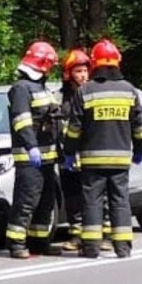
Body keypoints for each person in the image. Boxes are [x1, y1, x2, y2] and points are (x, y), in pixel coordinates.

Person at [63, 39, 142, 259]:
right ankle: (123, 248)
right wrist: (139, 149)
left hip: (92, 160)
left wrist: (69, 152)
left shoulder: (86, 91)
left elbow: (74, 128)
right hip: (120, 159)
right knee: (120, 201)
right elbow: (138, 126)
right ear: (117, 62)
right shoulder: (129, 90)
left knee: (92, 201)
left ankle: (91, 248)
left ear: (94, 64)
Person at [5, 40, 62, 259]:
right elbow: (22, 121)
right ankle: (16, 243)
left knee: (45, 202)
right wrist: (32, 147)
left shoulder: (42, 87)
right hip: (30, 156)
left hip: (47, 156)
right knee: (26, 200)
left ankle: (39, 242)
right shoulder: (21, 88)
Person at [58, 48, 91, 251]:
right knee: (72, 197)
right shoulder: (59, 97)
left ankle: (99, 236)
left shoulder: (93, 93)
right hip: (68, 155)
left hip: (89, 155)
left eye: (85, 71)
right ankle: (76, 235)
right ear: (69, 73)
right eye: (78, 71)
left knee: (93, 197)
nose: (83, 75)